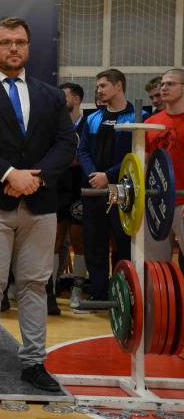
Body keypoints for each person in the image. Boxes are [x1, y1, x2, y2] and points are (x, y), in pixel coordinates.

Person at [0, 17, 76, 392]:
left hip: (40, 203)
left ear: (29, 47)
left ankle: (34, 363)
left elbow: (66, 144)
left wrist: (36, 178)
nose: (14, 48)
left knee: (35, 285)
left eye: (20, 41)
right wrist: (8, 175)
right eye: (6, 42)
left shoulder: (51, 95)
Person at [78, 69, 147, 302]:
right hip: (95, 190)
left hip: (124, 191)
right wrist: (94, 176)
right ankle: (98, 295)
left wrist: (108, 176)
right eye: (97, 86)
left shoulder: (138, 116)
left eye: (103, 85)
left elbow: (137, 155)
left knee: (125, 244)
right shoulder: (92, 118)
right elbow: (82, 151)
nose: (98, 90)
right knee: (94, 244)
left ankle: (126, 296)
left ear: (119, 86)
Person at [145, 69, 184, 263]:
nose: (164, 88)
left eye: (170, 84)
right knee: (155, 267)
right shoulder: (150, 123)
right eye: (162, 84)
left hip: (182, 202)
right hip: (155, 203)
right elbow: (145, 164)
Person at [55, 82, 87, 311]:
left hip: (79, 188)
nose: (59, 99)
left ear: (76, 99)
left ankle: (78, 288)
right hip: (58, 187)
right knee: (54, 240)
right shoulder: (55, 124)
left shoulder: (88, 124)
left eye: (63, 96)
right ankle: (50, 287)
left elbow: (84, 156)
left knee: (78, 241)